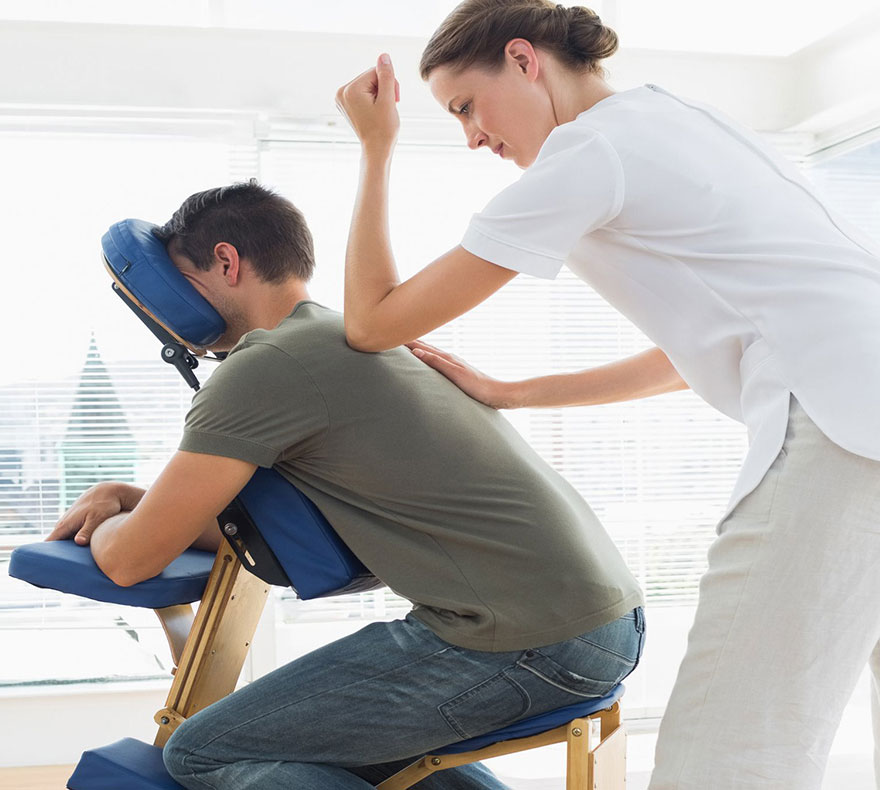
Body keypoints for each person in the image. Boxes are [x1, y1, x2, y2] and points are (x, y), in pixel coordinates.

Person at [333, 2, 880, 788]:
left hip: (839, 423)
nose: (472, 137)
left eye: (466, 107)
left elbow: (373, 322)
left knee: (727, 746)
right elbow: (695, 350)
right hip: (858, 405)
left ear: (524, 60)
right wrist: (514, 393)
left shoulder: (587, 153)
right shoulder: (672, 118)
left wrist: (376, 148)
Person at [47, 180, 644, 789]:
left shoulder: (265, 367)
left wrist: (109, 515)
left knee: (204, 752)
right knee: (322, 746)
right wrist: (133, 498)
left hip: (523, 641)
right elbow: (268, 524)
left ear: (227, 261)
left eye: (182, 278)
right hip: (600, 623)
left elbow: (130, 560)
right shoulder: (354, 338)